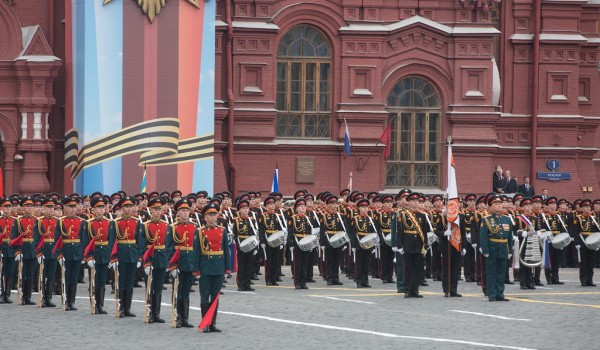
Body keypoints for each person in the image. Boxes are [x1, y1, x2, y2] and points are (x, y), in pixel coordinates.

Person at [197, 203, 231, 333]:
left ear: (217, 216)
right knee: (205, 297)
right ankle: (205, 323)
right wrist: (196, 270)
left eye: (214, 214)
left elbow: (226, 251)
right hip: (205, 267)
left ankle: (212, 323)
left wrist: (227, 268)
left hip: (218, 267)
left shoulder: (222, 230)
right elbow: (196, 252)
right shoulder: (200, 231)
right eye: (209, 215)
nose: (212, 217)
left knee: (215, 297)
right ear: (205, 217)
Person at [167, 198, 200, 328]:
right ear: (178, 213)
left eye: (187, 210)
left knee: (186, 291)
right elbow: (169, 248)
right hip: (178, 262)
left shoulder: (195, 227)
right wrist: (172, 266)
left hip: (190, 262)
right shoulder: (173, 227)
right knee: (177, 291)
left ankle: (185, 318)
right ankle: (177, 316)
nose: (185, 213)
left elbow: (197, 248)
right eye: (182, 211)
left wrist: (197, 265)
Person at [138, 196, 171, 323]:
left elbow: (168, 246)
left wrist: (168, 262)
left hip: (161, 260)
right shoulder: (145, 226)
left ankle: (157, 313)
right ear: (150, 210)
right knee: (149, 287)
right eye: (155, 209)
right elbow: (142, 246)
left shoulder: (166, 225)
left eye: (159, 209)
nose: (158, 211)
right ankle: (150, 312)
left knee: (158, 287)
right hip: (150, 260)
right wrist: (145, 263)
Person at [109, 196, 142, 317]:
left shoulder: (137, 222)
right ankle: (121, 307)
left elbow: (139, 241)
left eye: (130, 206)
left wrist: (139, 257)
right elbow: (112, 241)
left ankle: (128, 308)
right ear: (122, 208)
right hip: (121, 255)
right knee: (121, 282)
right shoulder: (116, 222)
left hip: (132, 254)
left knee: (130, 282)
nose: (128, 209)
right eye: (126, 207)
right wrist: (113, 258)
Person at [480, 194, 514, 301]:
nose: (499, 206)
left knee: (501, 272)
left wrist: (510, 250)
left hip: (503, 248)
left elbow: (510, 236)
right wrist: (485, 250)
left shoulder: (507, 219)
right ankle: (492, 294)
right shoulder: (486, 219)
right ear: (490, 207)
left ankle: (500, 293)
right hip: (492, 248)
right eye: (496, 204)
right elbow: (483, 236)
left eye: (500, 204)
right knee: (491, 272)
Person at [55, 196, 85, 311]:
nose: (73, 209)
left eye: (74, 206)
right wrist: (59, 254)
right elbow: (57, 240)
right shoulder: (61, 221)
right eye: (70, 207)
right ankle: (66, 300)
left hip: (77, 252)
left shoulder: (81, 221)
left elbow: (83, 239)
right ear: (65, 208)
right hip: (66, 252)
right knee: (66, 278)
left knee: (74, 278)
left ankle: (72, 301)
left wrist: (83, 254)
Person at [395, 192, 428, 298]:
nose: (415, 203)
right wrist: (399, 245)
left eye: (417, 201)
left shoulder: (422, 216)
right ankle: (407, 290)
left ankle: (415, 289)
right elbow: (400, 231)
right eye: (413, 201)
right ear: (409, 203)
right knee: (408, 268)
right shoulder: (403, 214)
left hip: (418, 245)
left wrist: (426, 245)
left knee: (418, 268)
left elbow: (424, 232)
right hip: (407, 244)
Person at [83, 196, 112, 314]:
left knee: (102, 280)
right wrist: (88, 257)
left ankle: (101, 305)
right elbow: (86, 241)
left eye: (102, 207)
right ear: (93, 209)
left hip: (104, 254)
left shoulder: (109, 223)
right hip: (94, 254)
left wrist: (111, 257)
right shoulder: (88, 223)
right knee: (93, 280)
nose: (101, 210)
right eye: (98, 208)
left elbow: (110, 241)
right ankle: (94, 304)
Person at [12, 196, 38, 306]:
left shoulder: (37, 220)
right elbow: (14, 237)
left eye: (31, 206)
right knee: (22, 274)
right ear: (23, 207)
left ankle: (28, 297)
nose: (29, 208)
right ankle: (22, 296)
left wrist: (39, 251)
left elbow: (39, 237)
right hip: (23, 250)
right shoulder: (18, 221)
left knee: (30, 274)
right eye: (27, 206)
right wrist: (17, 251)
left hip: (33, 250)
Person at [35, 197, 59, 307]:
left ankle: (49, 298)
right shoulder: (39, 221)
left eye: (52, 207)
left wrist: (60, 252)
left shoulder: (57, 221)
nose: (50, 210)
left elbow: (59, 239)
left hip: (53, 251)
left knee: (51, 275)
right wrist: (39, 253)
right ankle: (43, 297)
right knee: (42, 275)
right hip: (44, 251)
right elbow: (36, 239)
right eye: (48, 207)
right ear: (44, 208)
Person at [257, 196, 284, 286]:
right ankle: (268, 279)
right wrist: (262, 242)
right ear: (266, 206)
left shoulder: (277, 216)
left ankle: (274, 278)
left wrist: (281, 242)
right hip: (267, 240)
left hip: (276, 240)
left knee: (276, 260)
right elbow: (261, 230)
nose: (272, 205)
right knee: (269, 261)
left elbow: (280, 229)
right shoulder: (263, 216)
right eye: (270, 204)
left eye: (273, 203)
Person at [319, 195, 345, 285]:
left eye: (335, 204)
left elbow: (343, 229)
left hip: (338, 240)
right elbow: (322, 230)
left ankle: (336, 278)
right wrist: (322, 243)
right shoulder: (324, 216)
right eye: (332, 204)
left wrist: (344, 243)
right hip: (328, 241)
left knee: (337, 260)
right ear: (328, 205)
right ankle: (329, 278)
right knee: (329, 260)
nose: (335, 205)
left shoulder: (340, 216)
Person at [350, 199, 376, 288]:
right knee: (359, 264)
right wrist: (353, 245)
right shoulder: (355, 219)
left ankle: (365, 281)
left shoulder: (370, 219)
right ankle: (359, 281)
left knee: (366, 263)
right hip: (359, 244)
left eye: (366, 207)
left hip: (368, 244)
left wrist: (373, 244)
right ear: (359, 208)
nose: (365, 209)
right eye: (363, 207)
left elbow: (373, 232)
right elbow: (353, 233)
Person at [232, 199, 257, 291]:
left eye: (247, 208)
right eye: (243, 208)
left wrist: (255, 247)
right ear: (239, 210)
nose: (245, 210)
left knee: (249, 265)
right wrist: (238, 247)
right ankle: (240, 284)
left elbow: (254, 233)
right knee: (241, 265)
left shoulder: (252, 220)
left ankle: (247, 284)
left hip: (250, 244)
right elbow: (235, 234)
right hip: (241, 244)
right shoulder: (236, 220)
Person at [572, 199, 597, 287]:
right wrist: (577, 243)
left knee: (591, 262)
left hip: (592, 242)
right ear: (582, 208)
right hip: (582, 242)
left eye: (589, 207)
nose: (588, 209)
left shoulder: (593, 218)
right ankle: (583, 280)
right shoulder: (578, 218)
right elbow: (575, 232)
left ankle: (590, 280)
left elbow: (597, 231)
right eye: (586, 207)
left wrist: (597, 242)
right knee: (583, 262)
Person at [1, 198, 17, 304]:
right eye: (6, 207)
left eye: (9, 207)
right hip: (2, 248)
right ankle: (1, 294)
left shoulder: (15, 221)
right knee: (1, 273)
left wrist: (17, 251)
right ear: (2, 208)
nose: (8, 209)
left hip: (11, 249)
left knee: (10, 273)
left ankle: (7, 294)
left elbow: (17, 236)